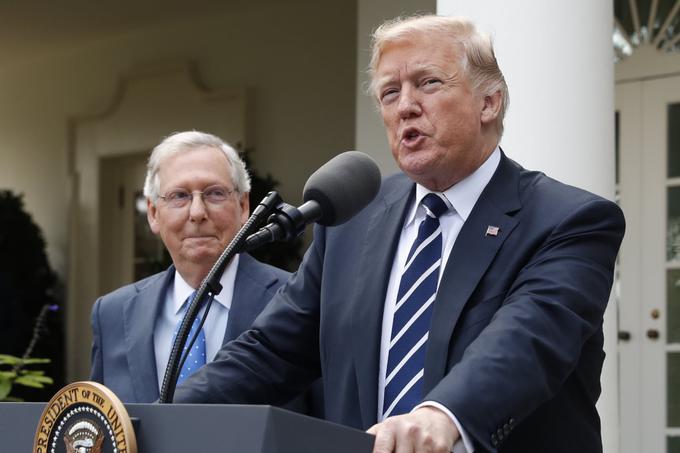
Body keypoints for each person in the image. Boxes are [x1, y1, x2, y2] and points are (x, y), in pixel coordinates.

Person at [173, 15, 625, 453]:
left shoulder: (570, 220)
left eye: (428, 83)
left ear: (489, 102)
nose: (405, 105)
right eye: (390, 92)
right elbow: (272, 352)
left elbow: (526, 342)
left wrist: (442, 416)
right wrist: (159, 418)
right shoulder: (353, 217)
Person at [90, 131, 316, 415]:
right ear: (152, 213)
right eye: (179, 196)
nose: (197, 212)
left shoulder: (297, 298)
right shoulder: (112, 314)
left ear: (244, 206)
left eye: (215, 193)